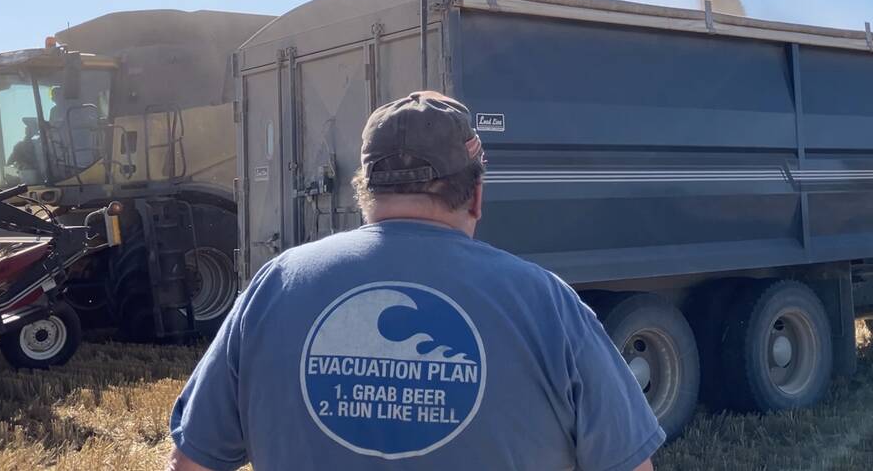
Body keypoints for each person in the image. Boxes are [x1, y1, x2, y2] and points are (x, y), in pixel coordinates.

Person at [168, 91, 664, 471]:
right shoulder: (547, 303)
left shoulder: (275, 288)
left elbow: (193, 461)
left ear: (364, 192)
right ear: (475, 197)